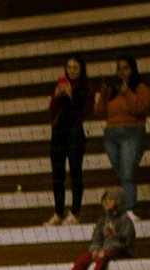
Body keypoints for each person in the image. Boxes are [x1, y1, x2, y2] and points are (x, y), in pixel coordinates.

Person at [47, 187, 136, 270]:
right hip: (104, 251)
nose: (107, 202)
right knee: (84, 257)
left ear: (119, 201)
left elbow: (125, 241)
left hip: (121, 252)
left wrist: (106, 250)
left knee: (104, 256)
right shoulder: (102, 220)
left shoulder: (125, 221)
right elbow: (96, 238)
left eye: (110, 199)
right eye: (105, 199)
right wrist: (95, 249)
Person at [97, 55, 150, 219]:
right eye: (119, 68)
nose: (122, 72)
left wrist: (127, 93)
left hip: (132, 132)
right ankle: (123, 206)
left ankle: (129, 208)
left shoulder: (140, 88)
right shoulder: (113, 91)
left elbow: (139, 109)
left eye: (125, 68)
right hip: (111, 134)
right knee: (121, 172)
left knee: (127, 173)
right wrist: (104, 94)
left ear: (133, 70)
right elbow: (99, 111)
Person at [46, 56, 91, 226]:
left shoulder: (85, 87)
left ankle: (75, 212)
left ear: (81, 69)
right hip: (58, 132)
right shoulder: (60, 85)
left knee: (75, 172)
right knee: (57, 174)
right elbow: (52, 110)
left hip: (75, 132)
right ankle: (58, 212)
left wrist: (72, 96)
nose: (71, 71)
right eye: (69, 67)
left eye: (75, 67)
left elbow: (85, 110)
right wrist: (57, 96)